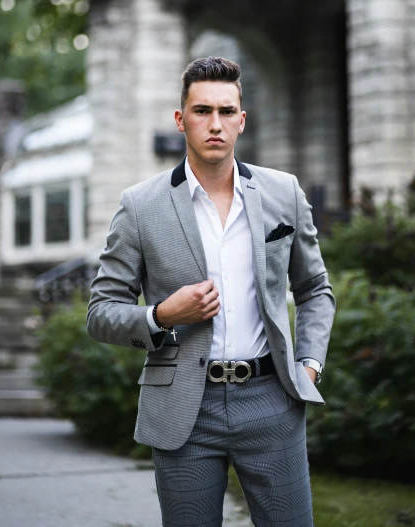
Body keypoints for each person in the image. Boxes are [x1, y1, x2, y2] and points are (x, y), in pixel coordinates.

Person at [87, 56, 335, 527]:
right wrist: (161, 315)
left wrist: (310, 364)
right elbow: (101, 311)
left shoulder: (283, 193)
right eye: (202, 111)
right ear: (181, 121)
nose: (214, 124)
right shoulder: (140, 206)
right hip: (184, 409)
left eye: (226, 111)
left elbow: (315, 288)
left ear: (242, 120)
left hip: (272, 399)